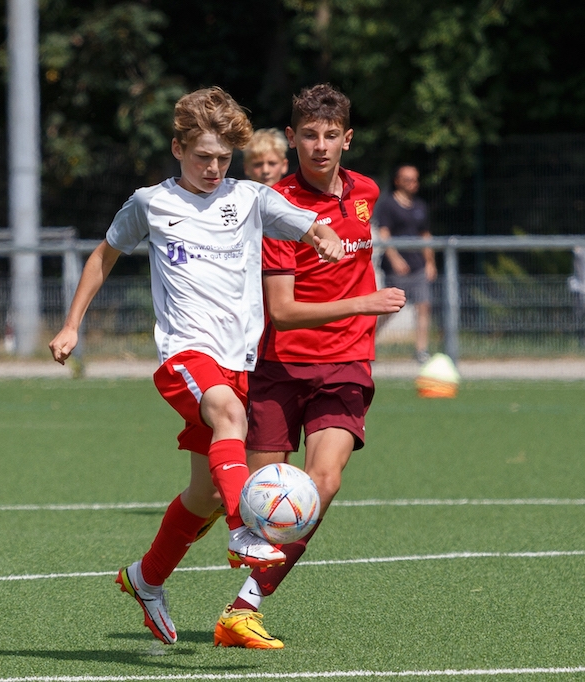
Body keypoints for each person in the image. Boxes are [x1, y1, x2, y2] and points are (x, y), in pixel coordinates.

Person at [47, 86, 345, 646]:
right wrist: (71, 324)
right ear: (178, 148)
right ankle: (243, 530)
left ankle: (145, 578)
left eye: (223, 159)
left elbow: (309, 223)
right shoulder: (150, 203)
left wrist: (324, 235)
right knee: (229, 414)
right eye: (203, 156)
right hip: (185, 354)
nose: (213, 168)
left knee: (204, 492)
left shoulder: (251, 198)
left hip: (237, 362)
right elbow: (104, 255)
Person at [211, 83, 406, 649]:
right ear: (292, 138)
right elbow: (283, 311)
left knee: (323, 483)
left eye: (331, 135)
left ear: (347, 139)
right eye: (310, 136)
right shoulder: (278, 208)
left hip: (346, 364)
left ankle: (244, 608)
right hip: (280, 365)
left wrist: (359, 313)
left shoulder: (366, 192)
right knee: (257, 505)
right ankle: (168, 557)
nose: (320, 146)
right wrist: (365, 303)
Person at [373, 164, 437, 362]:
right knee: (390, 308)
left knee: (424, 305)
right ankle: (367, 343)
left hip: (418, 266)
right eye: (408, 179)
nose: (412, 183)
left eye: (415, 179)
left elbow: (425, 235)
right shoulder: (388, 205)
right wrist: (395, 259)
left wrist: (430, 262)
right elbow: (384, 234)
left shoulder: (420, 206)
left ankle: (421, 351)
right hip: (396, 268)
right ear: (398, 181)